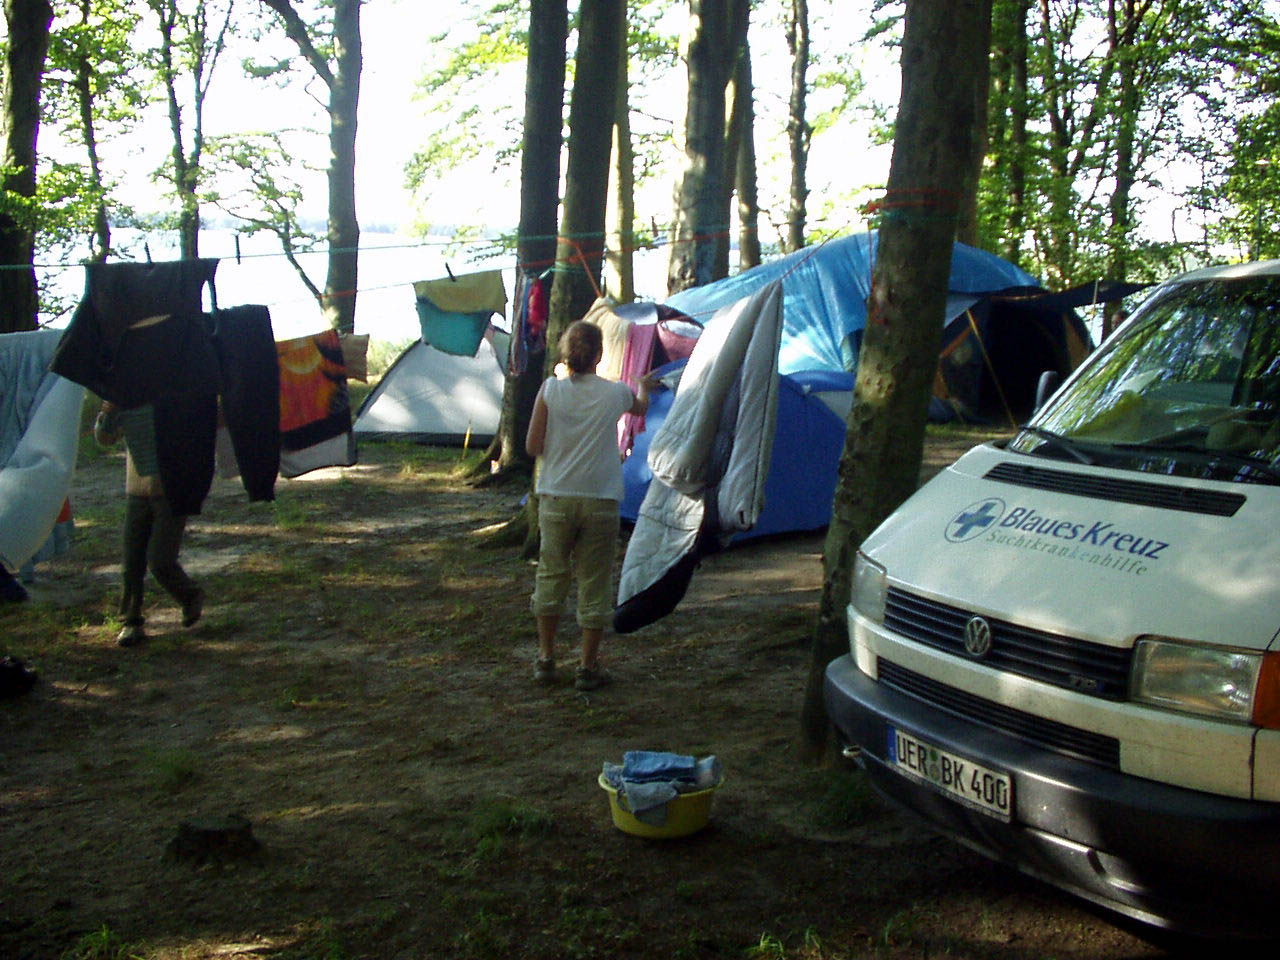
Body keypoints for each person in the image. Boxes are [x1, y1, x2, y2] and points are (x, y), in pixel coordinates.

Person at [525, 320, 655, 691]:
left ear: (566, 353)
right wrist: (643, 385)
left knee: (551, 574)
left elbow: (532, 446)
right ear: (599, 354)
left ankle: (546, 659)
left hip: (557, 496)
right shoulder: (616, 393)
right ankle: (587, 666)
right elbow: (640, 407)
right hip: (601, 499)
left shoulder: (550, 390)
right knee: (595, 580)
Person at [94, 401, 204, 647]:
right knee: (131, 562)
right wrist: (108, 412)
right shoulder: (127, 398)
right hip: (137, 490)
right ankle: (131, 620)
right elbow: (105, 438)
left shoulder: (175, 395)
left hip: (173, 489)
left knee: (160, 560)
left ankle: (190, 595)